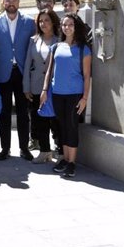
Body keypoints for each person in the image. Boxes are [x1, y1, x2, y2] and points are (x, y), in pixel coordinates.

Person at [0, 0, 36, 161]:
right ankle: (5, 148)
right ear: (3, 2)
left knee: (23, 112)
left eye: (15, 0)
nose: (12, 3)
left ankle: (24, 148)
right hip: (2, 74)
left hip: (22, 73)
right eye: (8, 0)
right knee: (4, 112)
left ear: (19, 2)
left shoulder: (29, 22)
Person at [40, 14, 92, 178]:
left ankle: (71, 162)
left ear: (76, 27)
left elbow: (86, 75)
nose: (67, 27)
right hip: (57, 93)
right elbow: (49, 70)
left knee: (71, 127)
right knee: (61, 126)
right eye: (64, 25)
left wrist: (84, 98)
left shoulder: (83, 49)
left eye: (70, 24)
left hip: (74, 94)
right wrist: (44, 90)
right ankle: (64, 158)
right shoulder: (56, 47)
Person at [24, 9, 60, 163]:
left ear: (53, 22)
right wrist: (26, 86)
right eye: (40, 21)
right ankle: (44, 151)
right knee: (40, 120)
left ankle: (60, 151)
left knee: (56, 121)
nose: (43, 24)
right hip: (36, 85)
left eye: (46, 20)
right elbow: (27, 64)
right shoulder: (33, 40)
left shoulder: (60, 39)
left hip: (55, 86)